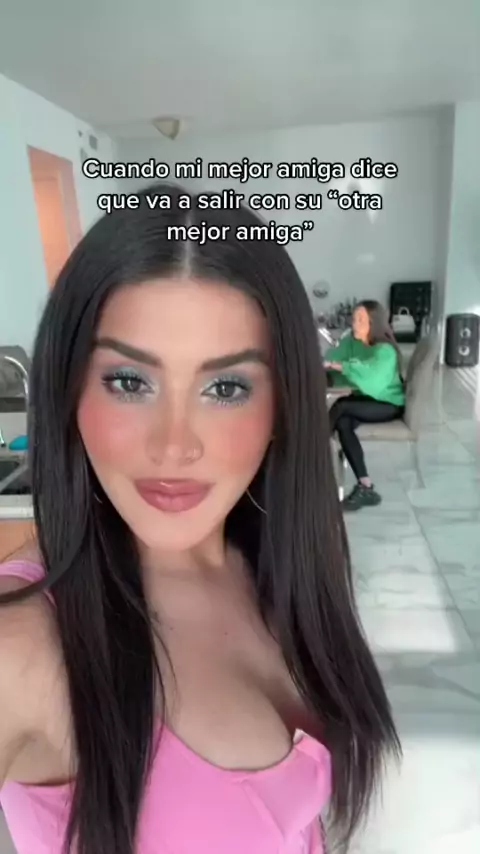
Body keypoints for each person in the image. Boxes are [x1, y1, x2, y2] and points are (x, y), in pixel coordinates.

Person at [0, 187, 400, 854]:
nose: (174, 446)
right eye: (130, 381)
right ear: (69, 389)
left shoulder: (276, 561)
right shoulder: (26, 643)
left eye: (226, 387)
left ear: (282, 407)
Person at [325, 300, 405, 511]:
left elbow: (372, 379)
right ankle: (365, 486)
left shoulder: (385, 351)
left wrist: (341, 366)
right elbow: (333, 358)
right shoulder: (352, 342)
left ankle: (312, 449)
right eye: (354, 319)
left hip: (388, 403)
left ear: (374, 323)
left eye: (361, 320)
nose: (355, 324)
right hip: (367, 399)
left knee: (342, 405)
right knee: (343, 422)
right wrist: (329, 368)